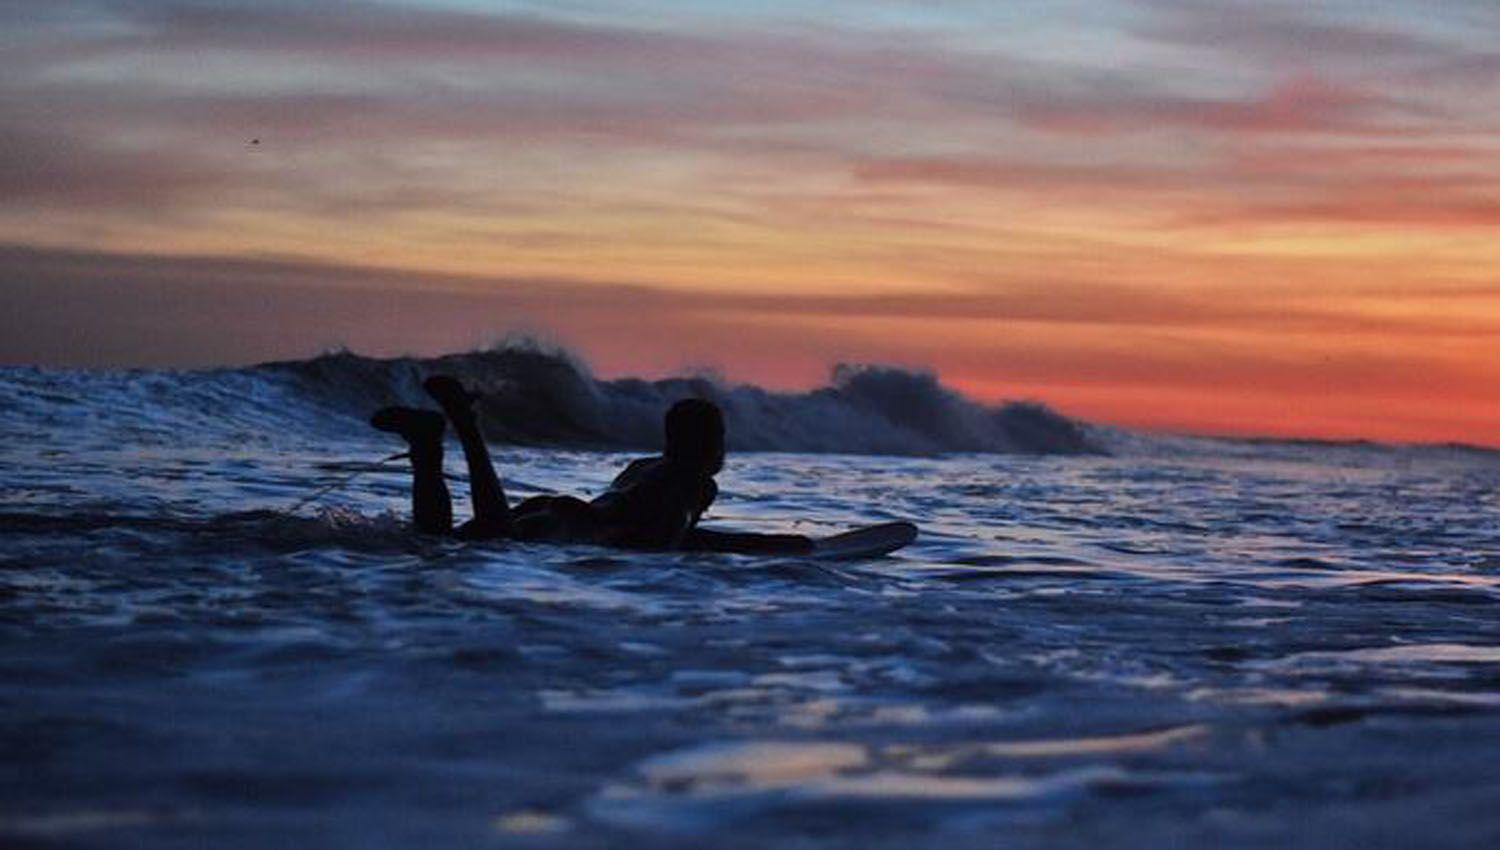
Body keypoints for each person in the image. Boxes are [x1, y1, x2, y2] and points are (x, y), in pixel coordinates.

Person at [371, 376, 811, 553]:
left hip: (556, 511)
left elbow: (644, 515)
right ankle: (466, 425)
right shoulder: (694, 483)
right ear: (714, 445)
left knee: (443, 542)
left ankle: (427, 451)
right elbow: (660, 544)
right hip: (577, 527)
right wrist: (762, 546)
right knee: (489, 537)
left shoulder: (646, 466)